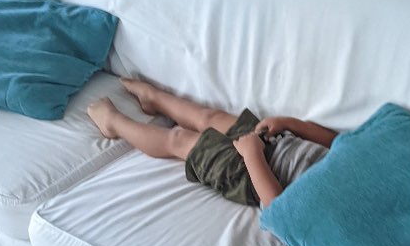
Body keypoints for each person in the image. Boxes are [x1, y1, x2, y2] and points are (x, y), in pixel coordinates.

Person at [87, 78, 337, 208]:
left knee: (180, 139)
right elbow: (339, 142)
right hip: (276, 141)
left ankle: (113, 123)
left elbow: (278, 206)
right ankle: (153, 99)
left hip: (249, 174)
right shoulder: (358, 164)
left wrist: (252, 155)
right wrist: (290, 124)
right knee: (210, 118)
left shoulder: (337, 207)